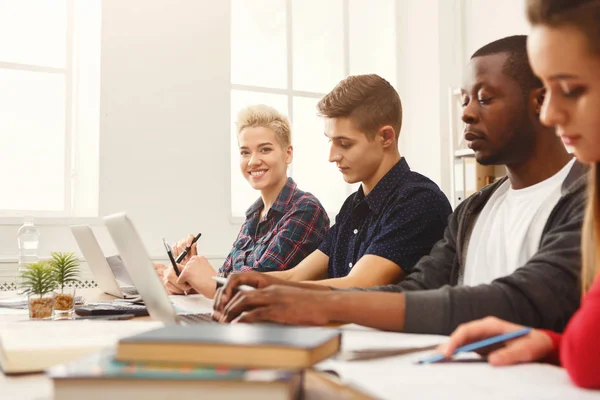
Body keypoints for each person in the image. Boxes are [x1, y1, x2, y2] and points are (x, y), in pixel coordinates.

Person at [212, 36, 588, 337]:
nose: (466, 113)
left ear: (542, 103)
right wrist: (267, 290)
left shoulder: (585, 200)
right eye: (465, 99)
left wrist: (319, 302)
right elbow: (418, 290)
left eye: (485, 99)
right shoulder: (473, 210)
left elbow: (519, 298)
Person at [438, 0, 600, 390]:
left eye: (572, 90)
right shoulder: (474, 209)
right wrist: (550, 342)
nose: (548, 115)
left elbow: (588, 351)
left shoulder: (576, 195)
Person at [224, 74, 451, 291]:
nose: (332, 156)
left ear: (386, 137)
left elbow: (358, 285)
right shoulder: (353, 206)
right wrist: (230, 285)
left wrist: (253, 291)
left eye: (344, 143)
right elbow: (295, 275)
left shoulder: (419, 201)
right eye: (331, 141)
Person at [155, 105, 329, 298]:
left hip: (275, 322)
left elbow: (256, 284)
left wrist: (204, 278)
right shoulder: (254, 215)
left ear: (288, 154)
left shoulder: (306, 209)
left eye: (265, 149)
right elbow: (228, 276)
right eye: (245, 152)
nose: (253, 161)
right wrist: (187, 276)